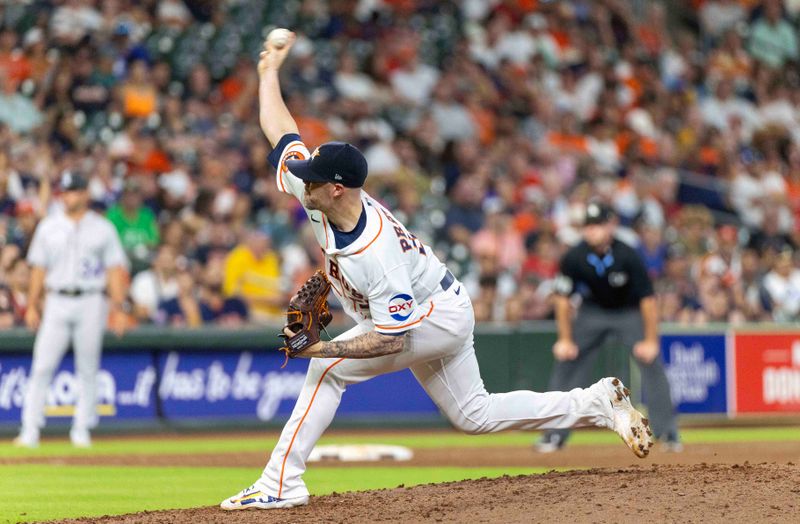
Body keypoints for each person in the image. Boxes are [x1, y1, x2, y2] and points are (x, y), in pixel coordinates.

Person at [219, 33, 654, 512]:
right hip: (436, 302)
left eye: (314, 179)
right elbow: (281, 132)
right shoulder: (319, 195)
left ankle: (281, 482)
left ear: (338, 189)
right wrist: (268, 74)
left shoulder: (375, 251)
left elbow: (390, 338)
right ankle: (596, 403)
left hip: (434, 314)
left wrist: (324, 347)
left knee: (326, 369)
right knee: (475, 414)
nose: (303, 182)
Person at [535, 202, 680, 454]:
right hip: (592, 313)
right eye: (588, 226)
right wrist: (565, 339)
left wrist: (650, 340)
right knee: (567, 365)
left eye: (598, 225)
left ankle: (668, 432)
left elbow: (647, 299)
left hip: (627, 311)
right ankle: (553, 435)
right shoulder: (575, 256)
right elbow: (561, 298)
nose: (592, 231)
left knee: (652, 364)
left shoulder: (628, 254)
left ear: (610, 225)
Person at [13, 171, 129, 449]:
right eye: (65, 191)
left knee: (87, 367)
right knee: (42, 365)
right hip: (56, 299)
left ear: (85, 193)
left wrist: (119, 307)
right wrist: (32, 305)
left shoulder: (102, 227)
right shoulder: (49, 226)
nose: (69, 196)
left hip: (91, 299)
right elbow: (38, 269)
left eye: (74, 191)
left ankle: (82, 430)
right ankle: (30, 430)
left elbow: (114, 269)